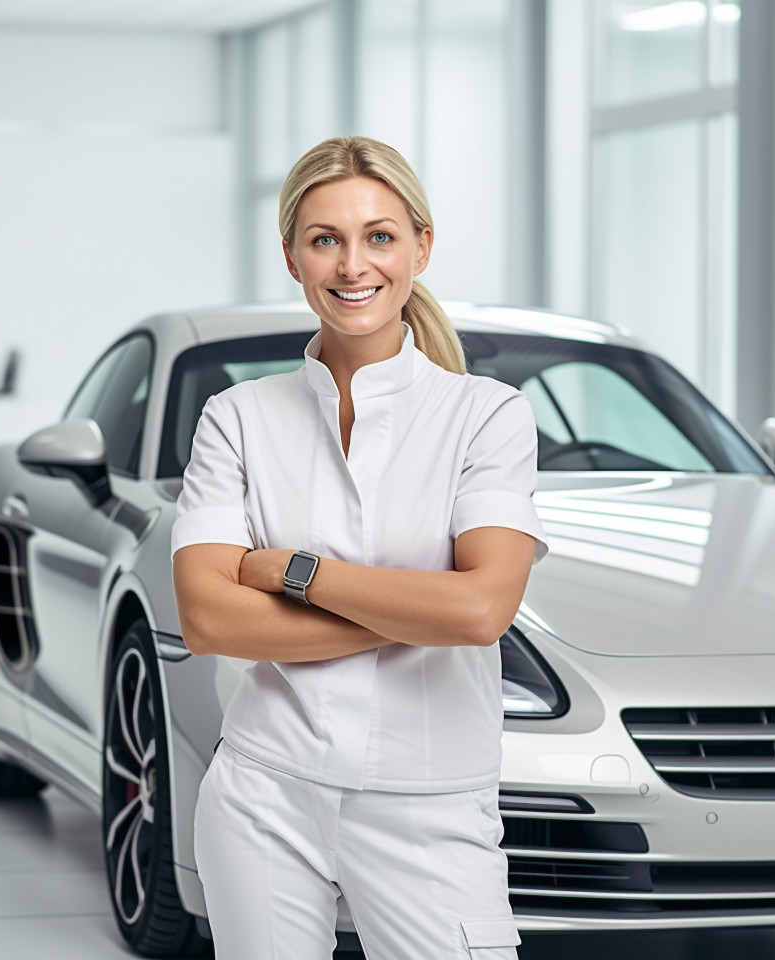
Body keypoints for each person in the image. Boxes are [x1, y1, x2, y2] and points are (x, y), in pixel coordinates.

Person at [171, 135, 549, 960]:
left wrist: (294, 575)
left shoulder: (487, 416)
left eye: (379, 235)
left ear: (422, 245)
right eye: (324, 239)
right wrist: (420, 607)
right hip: (264, 789)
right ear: (291, 257)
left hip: (430, 804)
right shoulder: (238, 418)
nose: (353, 265)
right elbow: (207, 617)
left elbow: (483, 609)